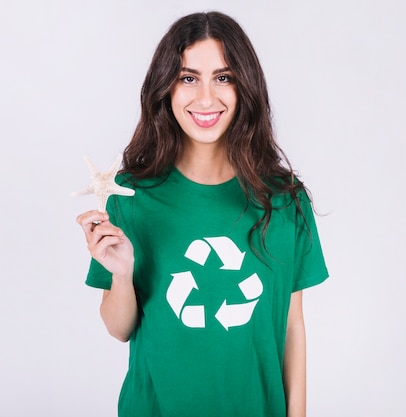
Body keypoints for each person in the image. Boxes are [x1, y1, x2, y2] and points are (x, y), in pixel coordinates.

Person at [76, 11, 328, 417]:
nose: (206, 98)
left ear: (245, 87)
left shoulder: (284, 201)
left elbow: (292, 326)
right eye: (188, 78)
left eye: (224, 77)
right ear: (165, 87)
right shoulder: (130, 194)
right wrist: (121, 274)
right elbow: (119, 328)